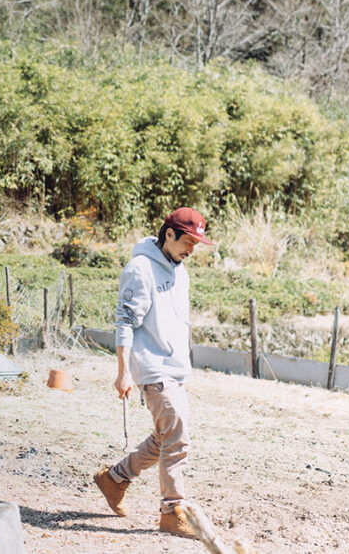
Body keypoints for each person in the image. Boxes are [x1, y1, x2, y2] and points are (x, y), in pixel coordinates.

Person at [92, 207, 214, 539]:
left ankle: (114, 478)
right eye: (188, 242)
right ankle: (172, 512)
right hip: (153, 369)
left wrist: (185, 368)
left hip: (175, 370)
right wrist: (123, 373)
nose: (191, 250)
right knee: (177, 438)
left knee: (166, 437)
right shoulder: (140, 269)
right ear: (169, 234)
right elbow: (124, 323)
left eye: (196, 244)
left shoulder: (181, 272)